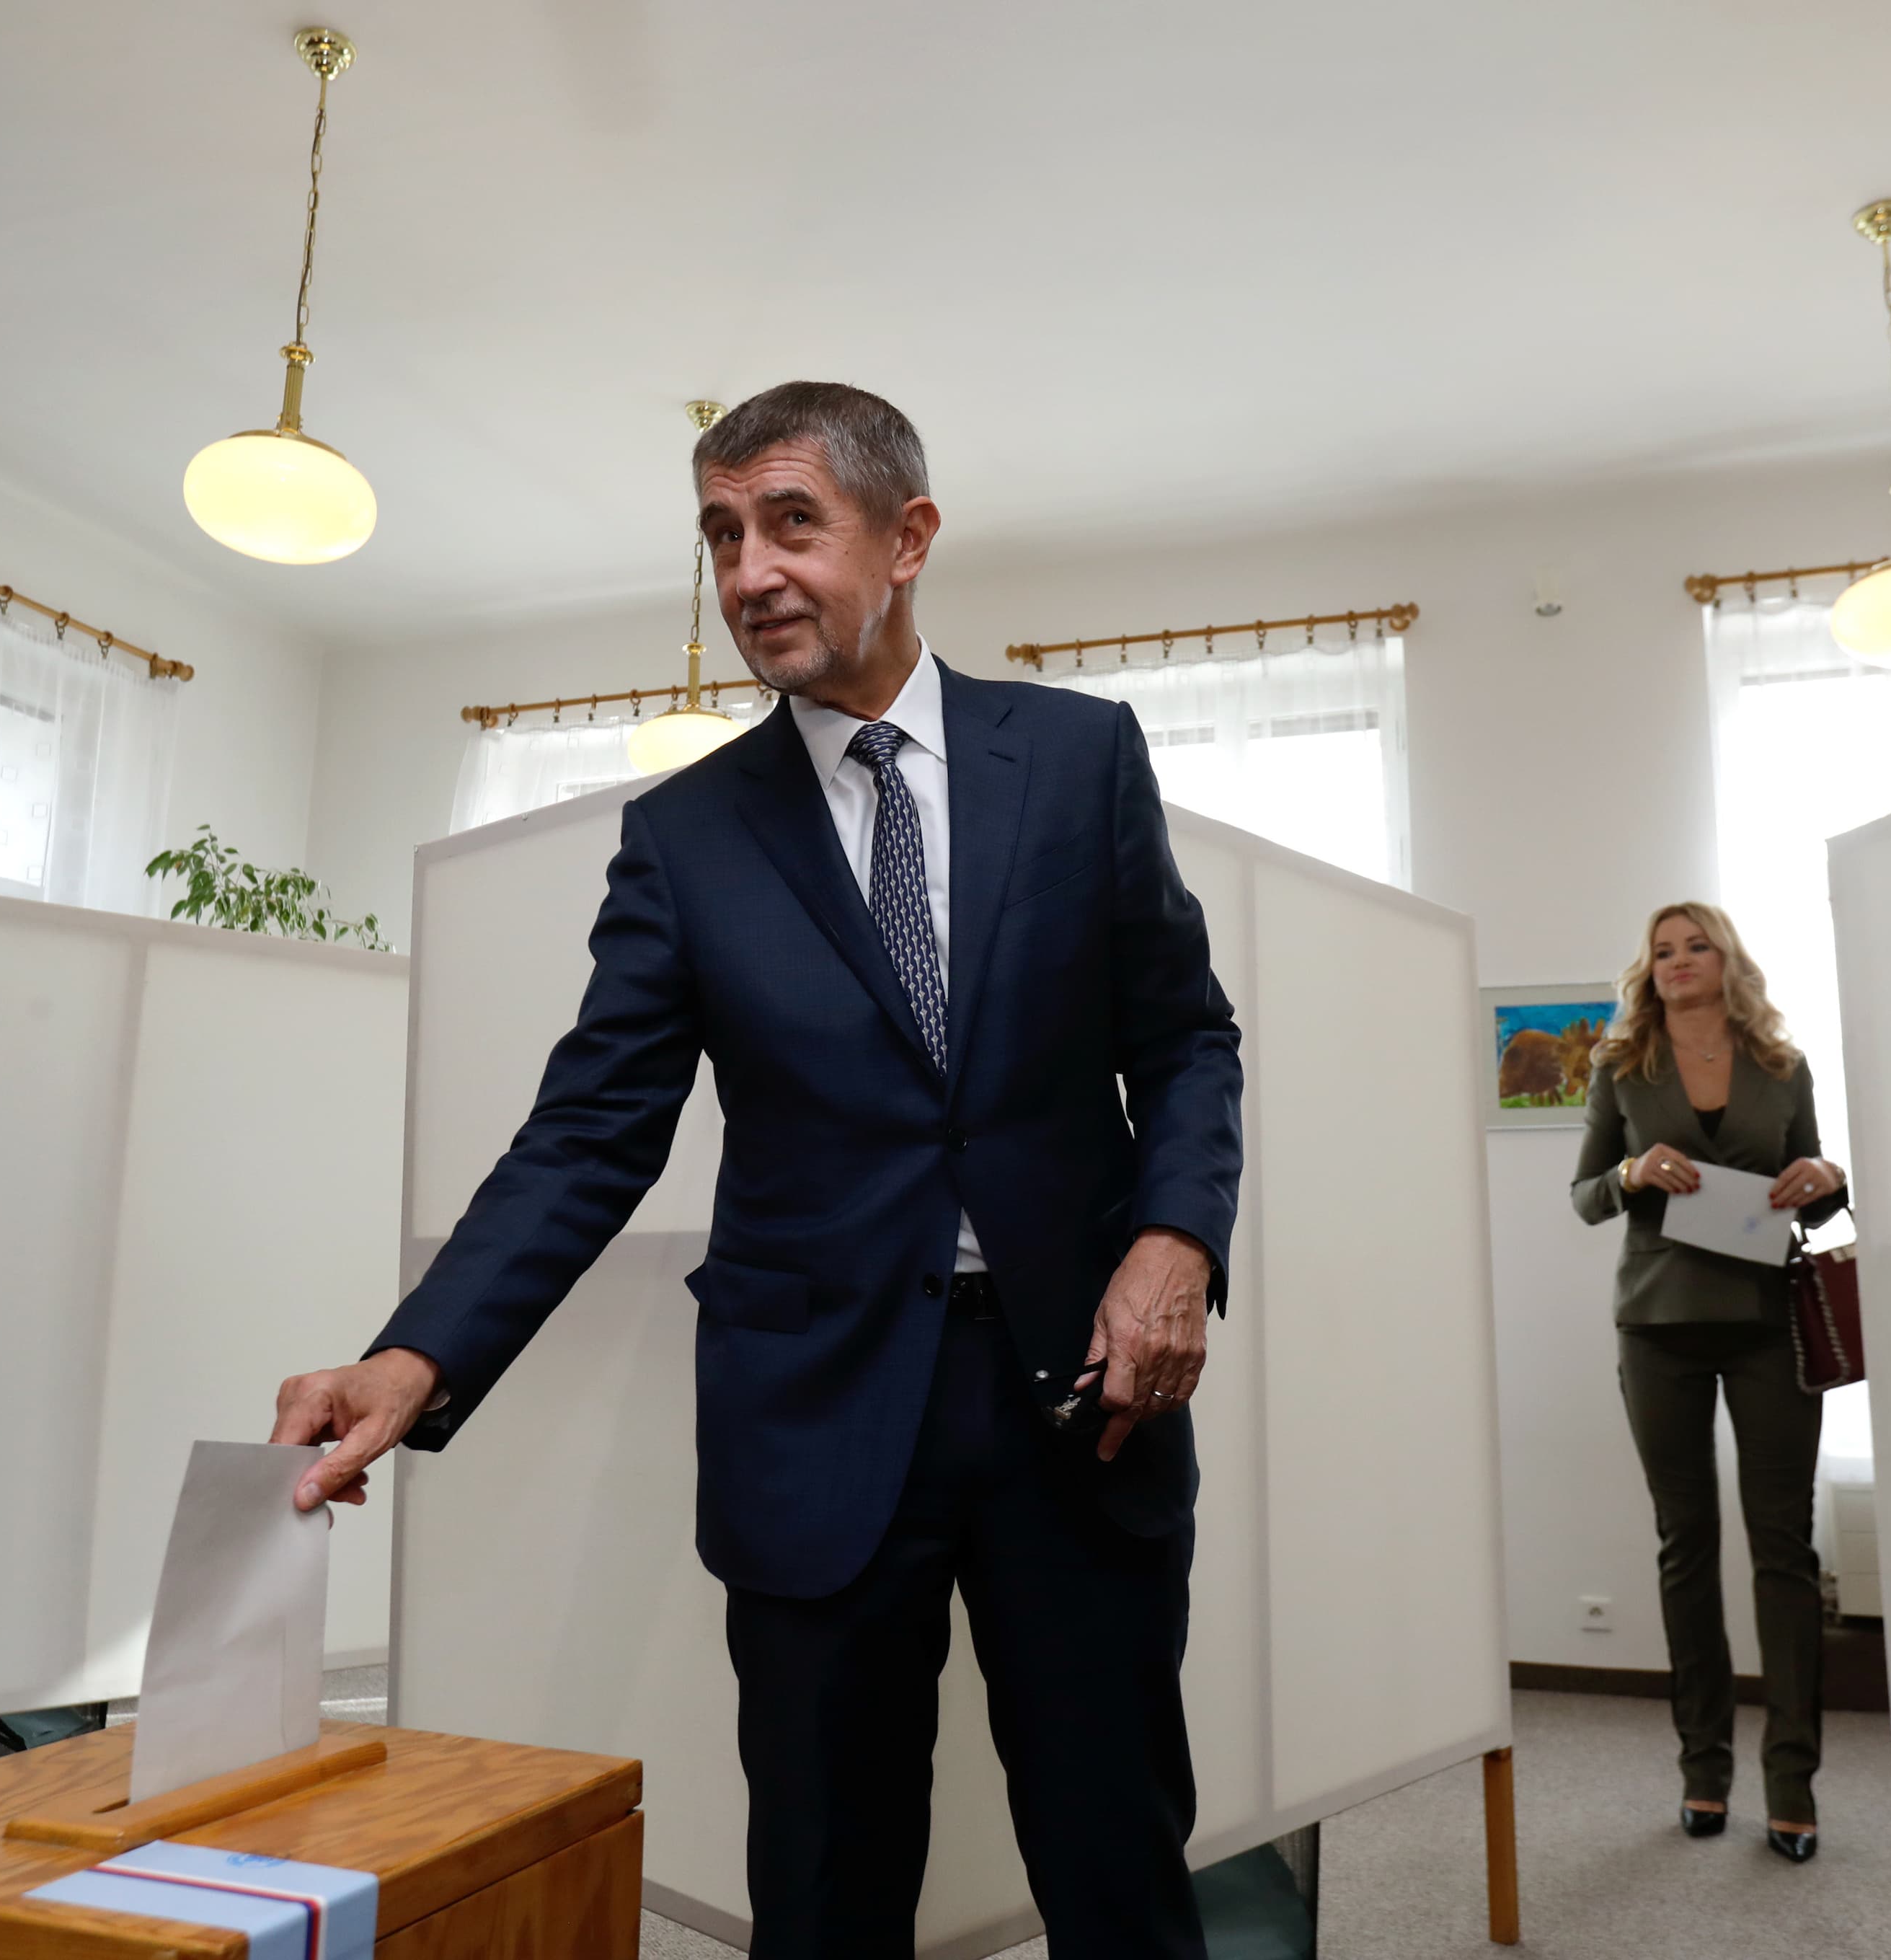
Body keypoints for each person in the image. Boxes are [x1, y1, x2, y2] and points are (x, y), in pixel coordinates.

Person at [268, 382, 1243, 1959]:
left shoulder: (1076, 759)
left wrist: (1175, 1243)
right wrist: (414, 1353)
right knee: (825, 1882)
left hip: (1083, 1402)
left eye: (791, 522)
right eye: (722, 536)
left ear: (908, 536)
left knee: (1115, 1855)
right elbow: (591, 1130)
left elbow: (1188, 1038)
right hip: (821, 1421)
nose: (747, 574)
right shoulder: (687, 836)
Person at [1570, 901, 1847, 1864]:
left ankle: (1791, 1782)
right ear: (1645, 969)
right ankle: (1702, 1770)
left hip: (1771, 1325)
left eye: (1698, 946)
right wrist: (1633, 1172)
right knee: (1684, 1546)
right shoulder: (1620, 1068)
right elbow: (1582, 1195)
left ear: (1728, 961)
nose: (1680, 960)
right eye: (1663, 949)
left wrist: (1824, 1171)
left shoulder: (1782, 1064)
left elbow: (1818, 1178)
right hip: (1657, 1328)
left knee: (1784, 1549)